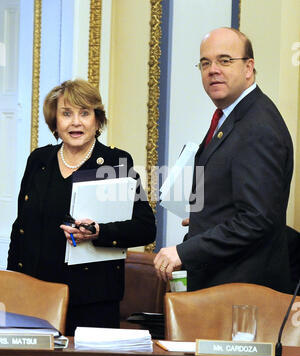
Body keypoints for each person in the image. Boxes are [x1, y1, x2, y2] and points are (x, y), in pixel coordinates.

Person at [7, 78, 156, 335]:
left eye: (84, 113)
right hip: (34, 297)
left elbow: (145, 228)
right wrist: (11, 284)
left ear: (97, 121)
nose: (75, 122)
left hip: (92, 302)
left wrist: (100, 232)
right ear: (55, 122)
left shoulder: (114, 162)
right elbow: (20, 228)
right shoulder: (38, 160)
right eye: (66, 114)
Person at [154, 27, 294, 294]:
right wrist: (203, 217)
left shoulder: (257, 125)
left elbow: (257, 219)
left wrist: (185, 251)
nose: (212, 69)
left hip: (244, 293)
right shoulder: (231, 117)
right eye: (205, 63)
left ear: (249, 68)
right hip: (222, 286)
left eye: (224, 60)